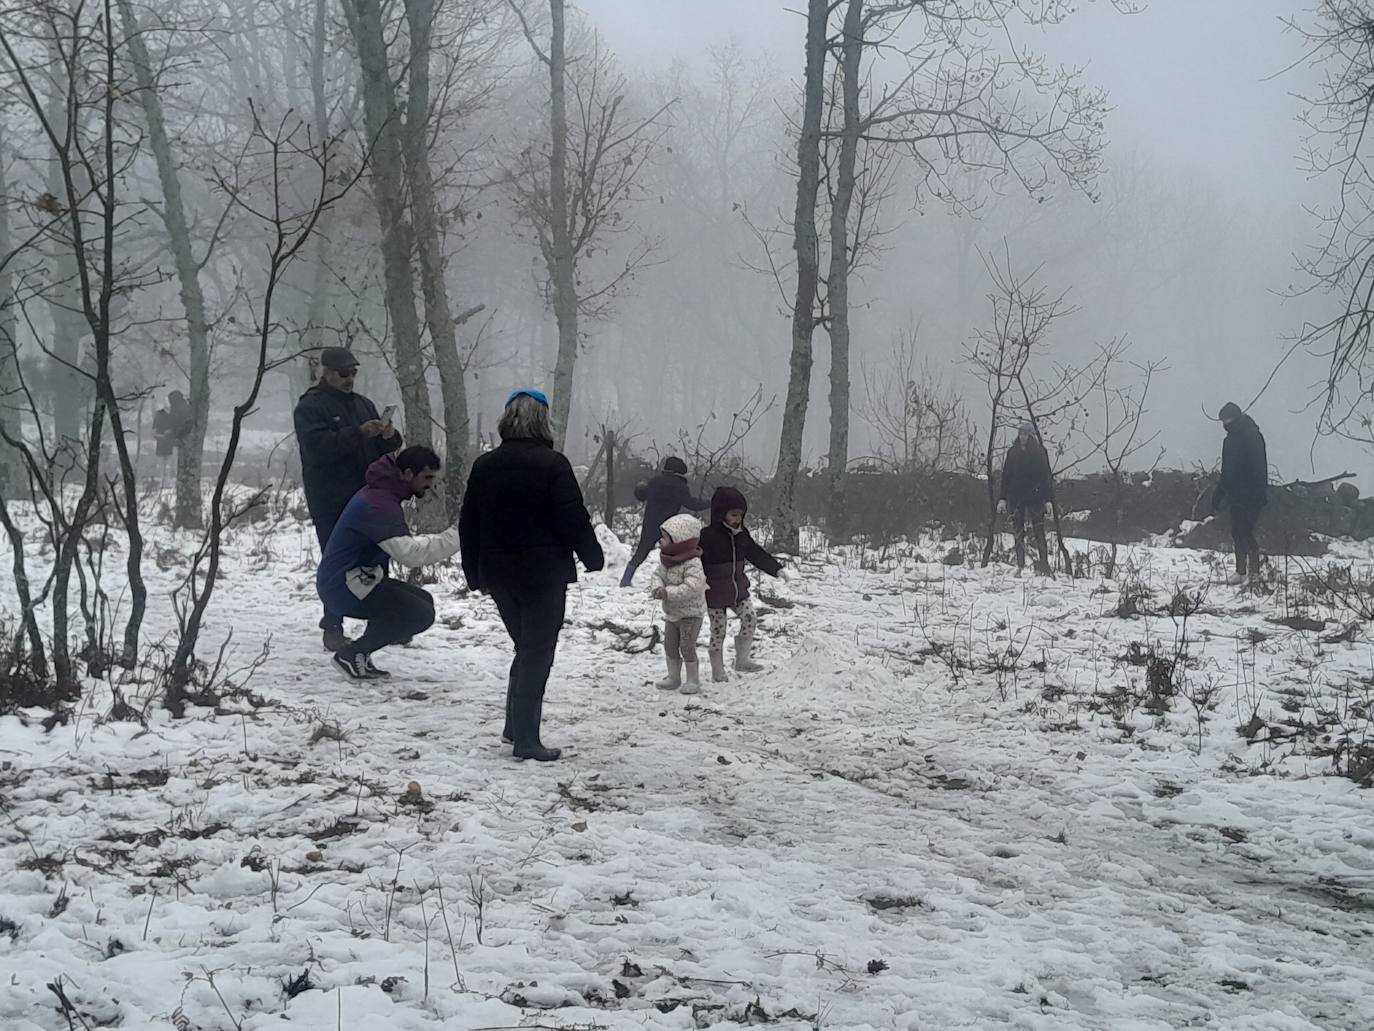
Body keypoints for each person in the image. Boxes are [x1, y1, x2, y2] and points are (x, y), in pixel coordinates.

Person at [459, 390, 604, 762]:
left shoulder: (484, 465)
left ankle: (514, 726)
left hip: (499, 573)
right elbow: (572, 516)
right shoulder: (553, 464)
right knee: (537, 652)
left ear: (507, 420)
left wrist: (473, 571)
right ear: (544, 421)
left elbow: (468, 522)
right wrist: (592, 556)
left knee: (526, 647)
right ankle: (526, 739)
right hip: (543, 574)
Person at [316, 447, 459, 680]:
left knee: (424, 600)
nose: (431, 485)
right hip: (343, 587)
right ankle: (352, 654)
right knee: (420, 614)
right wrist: (458, 535)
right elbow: (410, 555)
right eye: (427, 478)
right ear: (408, 474)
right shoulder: (379, 505)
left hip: (350, 579)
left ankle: (361, 653)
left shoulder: (381, 493)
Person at [294, 347, 401, 652]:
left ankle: (383, 623)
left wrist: (388, 435)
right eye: (343, 373)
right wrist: (359, 433)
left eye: (353, 372)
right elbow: (318, 449)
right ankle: (332, 626)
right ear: (324, 372)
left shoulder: (364, 404)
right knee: (337, 564)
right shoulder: (310, 408)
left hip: (368, 500)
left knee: (378, 559)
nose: (349, 378)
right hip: (331, 501)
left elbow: (387, 450)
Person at [699, 485, 783, 683]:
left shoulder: (742, 534)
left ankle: (742, 660)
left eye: (740, 515)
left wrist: (777, 568)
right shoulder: (707, 536)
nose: (737, 519)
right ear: (721, 513)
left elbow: (756, 553)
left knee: (750, 619)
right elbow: (695, 563)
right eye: (733, 514)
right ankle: (717, 669)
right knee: (718, 631)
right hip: (715, 594)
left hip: (738, 592)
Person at [620, 456, 710, 587]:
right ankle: (678, 581)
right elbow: (691, 504)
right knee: (677, 554)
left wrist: (640, 487)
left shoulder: (655, 481)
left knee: (641, 552)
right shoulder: (680, 486)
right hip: (669, 527)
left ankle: (626, 579)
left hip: (650, 523)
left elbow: (641, 495)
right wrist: (710, 503)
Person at [651, 513, 708, 695]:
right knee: (669, 645)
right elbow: (657, 575)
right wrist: (657, 588)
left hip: (691, 614)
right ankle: (673, 677)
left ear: (679, 540)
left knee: (686, 646)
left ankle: (693, 680)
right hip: (672, 613)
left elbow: (693, 587)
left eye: (666, 538)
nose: (661, 541)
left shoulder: (693, 563)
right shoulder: (668, 560)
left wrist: (668, 593)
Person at [1214, 401, 1268, 585]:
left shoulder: (1252, 436)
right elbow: (1226, 469)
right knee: (1237, 532)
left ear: (1235, 417)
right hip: (1234, 494)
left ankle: (1254, 572)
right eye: (1222, 421)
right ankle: (1240, 571)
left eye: (1226, 419)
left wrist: (1258, 493)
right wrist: (1220, 492)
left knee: (1247, 532)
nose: (1224, 425)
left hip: (1252, 494)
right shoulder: (1228, 441)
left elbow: (1259, 467)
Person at [998, 421, 1053, 575]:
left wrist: (1048, 500)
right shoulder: (1012, 452)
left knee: (1039, 531)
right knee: (1018, 531)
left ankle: (1044, 565)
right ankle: (1020, 565)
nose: (1023, 437)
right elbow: (1006, 476)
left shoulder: (1040, 452)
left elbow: (1046, 477)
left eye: (1026, 434)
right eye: (1021, 433)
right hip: (1016, 497)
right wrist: (1002, 498)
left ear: (1031, 436)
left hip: (1035, 497)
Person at [153, 390, 193, 457]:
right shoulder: (184, 406)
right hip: (181, 436)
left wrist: (169, 433)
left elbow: (177, 424)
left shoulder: (178, 408)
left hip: (180, 436)